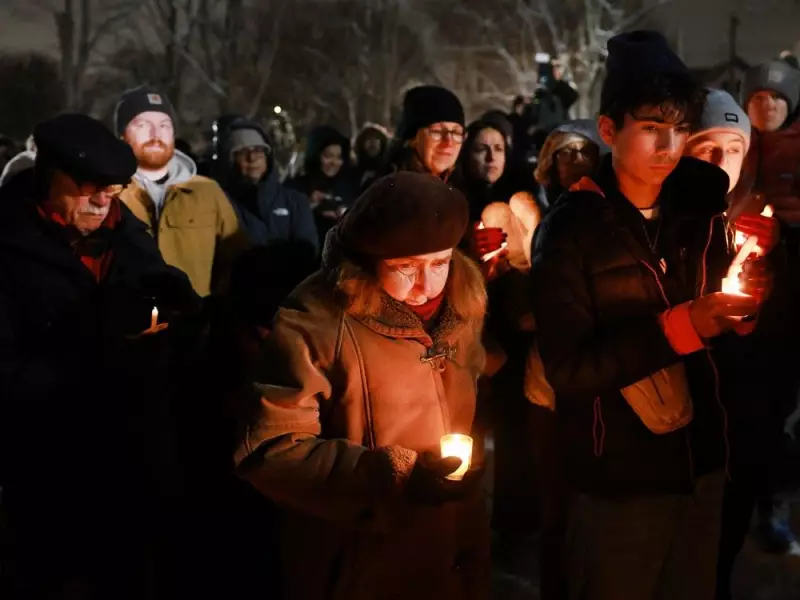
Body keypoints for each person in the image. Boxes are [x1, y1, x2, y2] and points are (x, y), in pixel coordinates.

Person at [530, 31, 769, 600]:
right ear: (609, 130)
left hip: (702, 464)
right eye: (651, 128)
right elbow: (569, 368)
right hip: (618, 478)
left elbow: (723, 323)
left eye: (680, 128)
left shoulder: (698, 208)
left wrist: (744, 307)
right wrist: (684, 325)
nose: (670, 145)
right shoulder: (571, 230)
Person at [234, 171, 490, 600]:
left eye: (440, 263)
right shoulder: (317, 320)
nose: (426, 285)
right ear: (370, 259)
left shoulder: (462, 308)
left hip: (449, 554)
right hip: (359, 563)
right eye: (405, 267)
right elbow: (269, 449)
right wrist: (390, 476)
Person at [0, 114, 199, 598]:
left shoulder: (121, 230)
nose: (100, 203)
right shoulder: (7, 242)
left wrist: (169, 310)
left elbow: (165, 301)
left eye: (110, 191)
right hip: (44, 461)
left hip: (131, 452)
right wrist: (92, 340)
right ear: (49, 178)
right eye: (87, 189)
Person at [115, 85, 249, 296]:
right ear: (122, 135)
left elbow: (238, 260)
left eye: (164, 125)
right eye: (142, 125)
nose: (155, 133)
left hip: (195, 323)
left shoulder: (207, 191)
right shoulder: (107, 193)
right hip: (127, 324)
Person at [221, 118, 319, 254]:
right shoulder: (222, 203)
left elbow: (308, 250)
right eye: (242, 152)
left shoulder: (295, 201)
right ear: (230, 161)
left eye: (258, 150)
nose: (252, 158)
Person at [285, 125, 358, 245]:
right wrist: (311, 207)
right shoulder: (296, 187)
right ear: (315, 155)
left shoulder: (349, 186)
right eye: (328, 156)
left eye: (339, 157)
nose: (334, 162)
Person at [384, 85, 465, 181]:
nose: (449, 142)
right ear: (412, 139)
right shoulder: (397, 188)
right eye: (437, 131)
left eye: (456, 133)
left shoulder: (461, 188)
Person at [534, 119, 607, 207]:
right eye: (566, 154)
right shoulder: (539, 211)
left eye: (585, 154)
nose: (577, 160)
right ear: (552, 162)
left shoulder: (609, 206)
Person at [353, 122, 391, 192]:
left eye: (376, 139)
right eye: (368, 139)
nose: (373, 142)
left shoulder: (391, 169)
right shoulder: (354, 172)